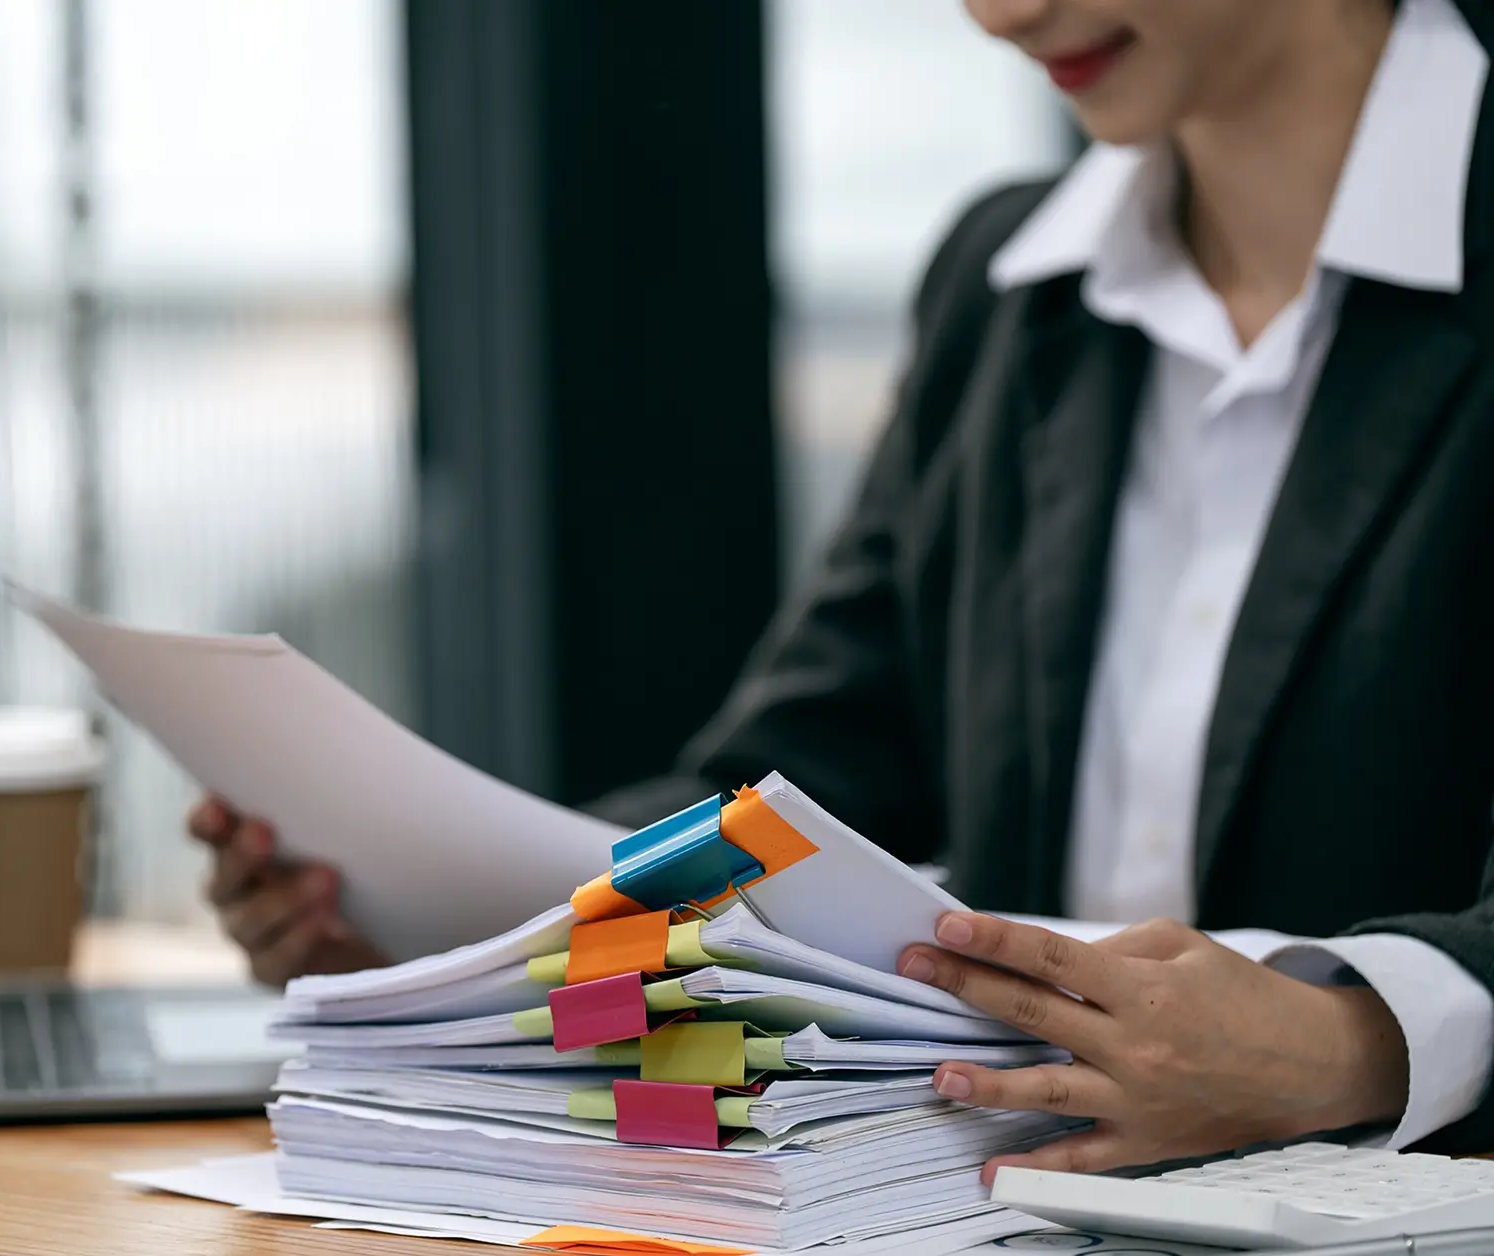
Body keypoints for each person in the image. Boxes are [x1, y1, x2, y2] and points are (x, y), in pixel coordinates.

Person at [191, 0, 1494, 1177]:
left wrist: (1354, 1045)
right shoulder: (1006, 286)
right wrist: (448, 935)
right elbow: (799, 789)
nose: (1001, 14)